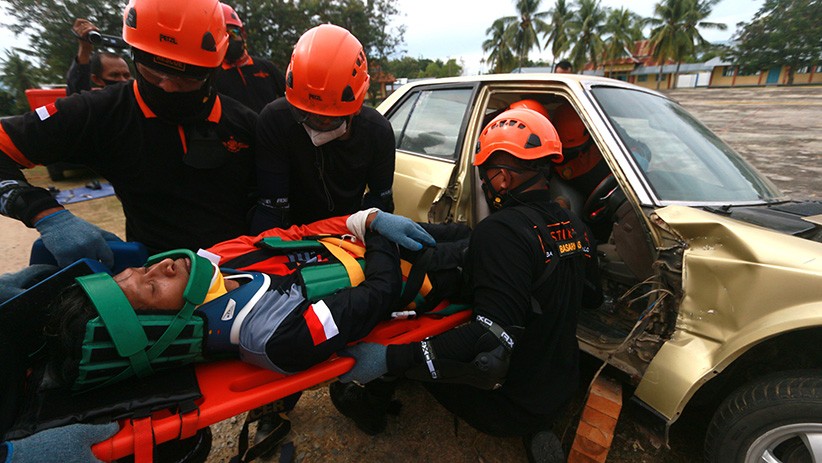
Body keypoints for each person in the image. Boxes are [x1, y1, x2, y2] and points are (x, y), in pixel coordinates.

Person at [333, 108, 602, 463]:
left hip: (505, 404)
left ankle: (371, 406)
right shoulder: (577, 227)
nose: (487, 184)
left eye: (487, 174)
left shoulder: (500, 232)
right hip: (559, 387)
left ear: (503, 177)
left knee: (404, 333)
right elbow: (591, 298)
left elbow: (490, 340)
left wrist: (389, 358)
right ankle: (539, 426)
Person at [0, 0, 258, 267]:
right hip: (154, 277)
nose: (167, 87)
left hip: (244, 275)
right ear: (135, 52)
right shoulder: (102, 113)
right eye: (154, 72)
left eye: (186, 78)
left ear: (214, 65)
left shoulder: (245, 123)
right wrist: (46, 213)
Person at [251, 23, 395, 234]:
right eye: (306, 116)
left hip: (349, 232)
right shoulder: (276, 121)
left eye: (329, 120)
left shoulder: (377, 132)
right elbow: (272, 206)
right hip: (291, 232)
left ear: (354, 109)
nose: (319, 124)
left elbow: (380, 202)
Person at [213, 4, 286, 114]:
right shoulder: (213, 76)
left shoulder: (266, 68)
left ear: (243, 34)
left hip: (269, 130)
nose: (229, 40)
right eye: (223, 35)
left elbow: (290, 100)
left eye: (233, 33)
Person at [66, 18, 131, 95]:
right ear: (97, 79)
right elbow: (78, 92)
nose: (123, 80)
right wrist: (85, 49)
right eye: (114, 75)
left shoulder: (137, 99)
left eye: (126, 75)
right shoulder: (95, 105)